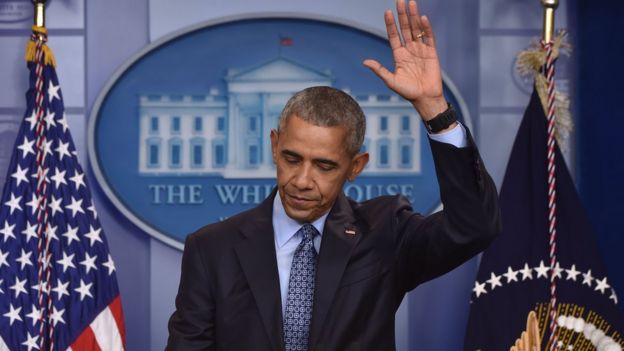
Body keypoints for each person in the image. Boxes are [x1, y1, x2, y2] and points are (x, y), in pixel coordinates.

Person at [166, 1, 501, 350]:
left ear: (356, 167)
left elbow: (475, 227)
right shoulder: (211, 248)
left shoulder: (385, 233)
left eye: (324, 166)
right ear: (274, 146)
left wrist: (435, 109)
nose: (301, 180)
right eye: (292, 158)